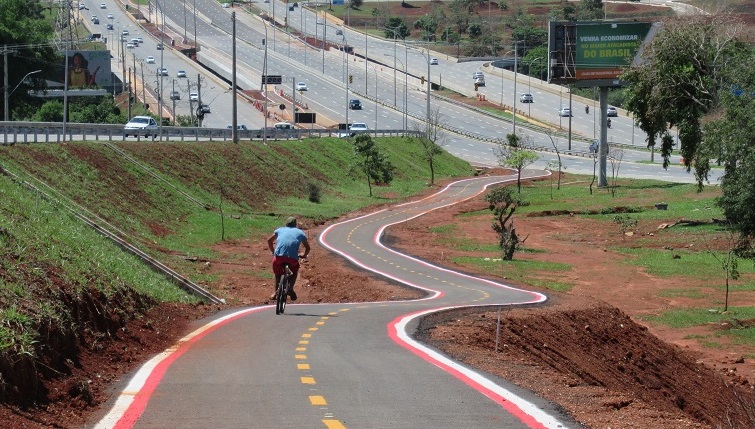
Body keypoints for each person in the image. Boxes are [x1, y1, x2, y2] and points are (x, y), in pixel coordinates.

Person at [267, 216, 310, 301]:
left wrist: (273, 252)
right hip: (292, 258)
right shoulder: (300, 233)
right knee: (294, 272)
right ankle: (290, 287)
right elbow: (307, 248)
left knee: (277, 274)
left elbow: (269, 241)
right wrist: (304, 255)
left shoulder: (280, 230)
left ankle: (275, 293)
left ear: (286, 224)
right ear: (295, 224)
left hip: (278, 257)